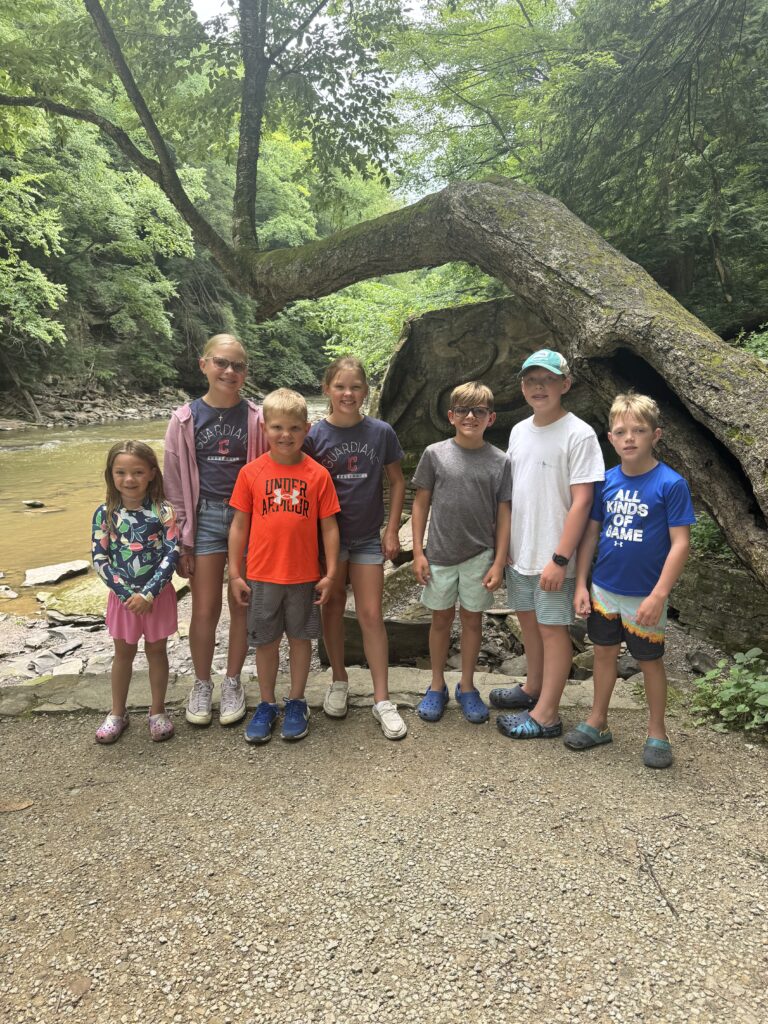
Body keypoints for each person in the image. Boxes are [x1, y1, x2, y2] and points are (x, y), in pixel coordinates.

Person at [565, 394, 695, 768]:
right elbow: (590, 535)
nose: (629, 438)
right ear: (610, 438)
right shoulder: (605, 482)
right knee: (604, 654)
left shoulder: (671, 484)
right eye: (621, 431)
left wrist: (660, 594)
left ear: (656, 435)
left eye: (638, 430)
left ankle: (657, 732)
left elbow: (680, 542)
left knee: (650, 662)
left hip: (645, 596)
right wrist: (580, 585)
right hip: (604, 590)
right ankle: (597, 721)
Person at [491, 349, 605, 739]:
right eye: (530, 380)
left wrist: (560, 558)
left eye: (547, 379)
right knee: (528, 622)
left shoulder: (579, 433)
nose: (538, 387)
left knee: (553, 629)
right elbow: (513, 494)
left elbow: (584, 501)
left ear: (565, 384)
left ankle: (547, 716)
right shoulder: (519, 430)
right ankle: (533, 687)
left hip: (554, 554)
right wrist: (504, 545)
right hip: (520, 552)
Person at [164, 333, 267, 728]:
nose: (229, 371)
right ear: (203, 364)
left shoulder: (256, 418)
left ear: (245, 373)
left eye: (238, 366)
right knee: (205, 606)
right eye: (221, 362)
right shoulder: (184, 419)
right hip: (203, 517)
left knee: (242, 602)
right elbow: (174, 483)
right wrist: (182, 539)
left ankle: (233, 681)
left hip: (248, 518)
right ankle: (202, 681)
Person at [303, 356, 408, 740]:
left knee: (370, 613)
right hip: (326, 540)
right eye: (341, 386)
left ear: (366, 391)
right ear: (327, 389)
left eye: (357, 387)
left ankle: (383, 698)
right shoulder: (313, 437)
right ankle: (339, 680)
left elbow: (397, 481)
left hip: (366, 537)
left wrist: (392, 529)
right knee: (331, 608)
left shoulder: (380, 432)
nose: (349, 394)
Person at [228, 389, 341, 744]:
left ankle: (296, 701)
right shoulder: (251, 473)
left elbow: (329, 526)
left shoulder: (317, 474)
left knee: (301, 638)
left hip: (304, 575)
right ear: (264, 427)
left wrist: (331, 572)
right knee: (265, 641)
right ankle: (266, 703)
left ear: (307, 428)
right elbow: (239, 525)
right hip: (262, 575)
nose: (285, 435)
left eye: (294, 427)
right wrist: (235, 572)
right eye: (277, 427)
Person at [411, 382, 511, 724]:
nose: (471, 416)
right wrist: (418, 553)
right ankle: (436, 684)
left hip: (479, 555)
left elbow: (504, 512)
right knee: (439, 619)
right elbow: (421, 501)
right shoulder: (435, 454)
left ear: (491, 418)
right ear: (451, 416)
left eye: (479, 411)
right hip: (439, 552)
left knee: (472, 620)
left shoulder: (500, 461)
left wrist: (499, 559)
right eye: (464, 411)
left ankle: (467, 686)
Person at [91, 440, 180, 744]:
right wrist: (124, 593)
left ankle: (157, 711)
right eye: (121, 472)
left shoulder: (163, 511)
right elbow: (99, 558)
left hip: (157, 595)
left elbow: (172, 553)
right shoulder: (105, 513)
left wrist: (149, 593)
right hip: (123, 599)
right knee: (123, 654)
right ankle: (117, 713)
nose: (129, 479)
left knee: (157, 651)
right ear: (111, 475)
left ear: (152, 473)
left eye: (138, 472)